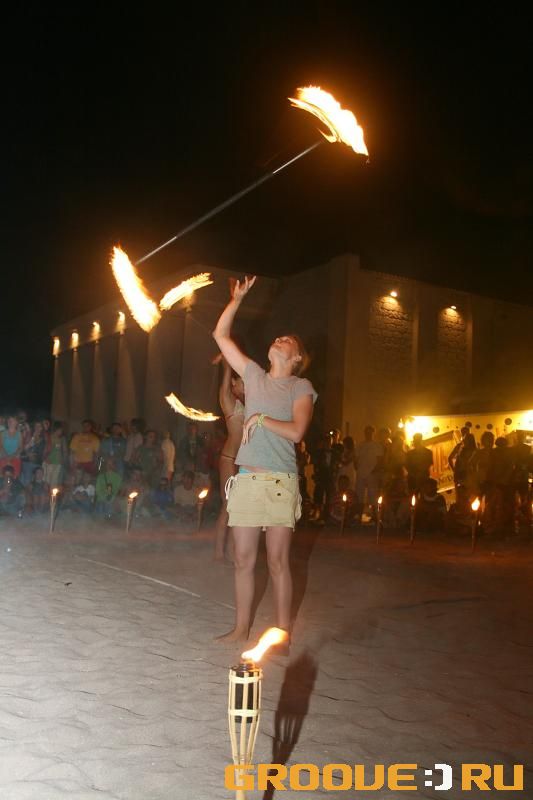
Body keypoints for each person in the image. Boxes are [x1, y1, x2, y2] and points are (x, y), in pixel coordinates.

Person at [213, 275, 316, 645]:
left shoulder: (300, 387)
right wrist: (237, 300)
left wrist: (261, 420)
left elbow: (297, 431)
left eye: (287, 341)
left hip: (279, 481)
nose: (279, 339)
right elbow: (221, 336)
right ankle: (241, 629)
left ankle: (282, 633)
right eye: (278, 337)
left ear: (297, 358)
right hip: (247, 480)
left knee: (277, 562)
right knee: (243, 560)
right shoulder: (254, 375)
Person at [213, 355, 245, 561]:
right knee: (228, 507)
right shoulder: (227, 399)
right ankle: (219, 553)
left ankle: (234, 553)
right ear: (233, 382)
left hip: (241, 461)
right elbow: (226, 375)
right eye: (243, 382)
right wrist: (226, 360)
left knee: (238, 508)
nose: (246, 386)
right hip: (228, 458)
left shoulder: (245, 403)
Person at [354, 426, 383, 518]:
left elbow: (380, 460)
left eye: (370, 432)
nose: (368, 434)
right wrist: (358, 469)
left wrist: (374, 471)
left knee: (373, 496)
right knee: (359, 495)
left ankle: (375, 517)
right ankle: (358, 516)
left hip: (372, 474)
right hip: (361, 473)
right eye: (366, 432)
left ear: (373, 433)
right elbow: (356, 459)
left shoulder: (377, 445)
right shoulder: (360, 445)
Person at [43, 421, 68, 488]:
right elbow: (45, 449)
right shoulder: (50, 437)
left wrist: (62, 460)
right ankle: (45, 494)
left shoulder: (60, 439)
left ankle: (52, 494)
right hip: (49, 463)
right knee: (47, 482)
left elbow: (60, 451)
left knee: (54, 483)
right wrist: (46, 458)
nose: (62, 431)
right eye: (61, 430)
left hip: (57, 463)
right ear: (57, 429)